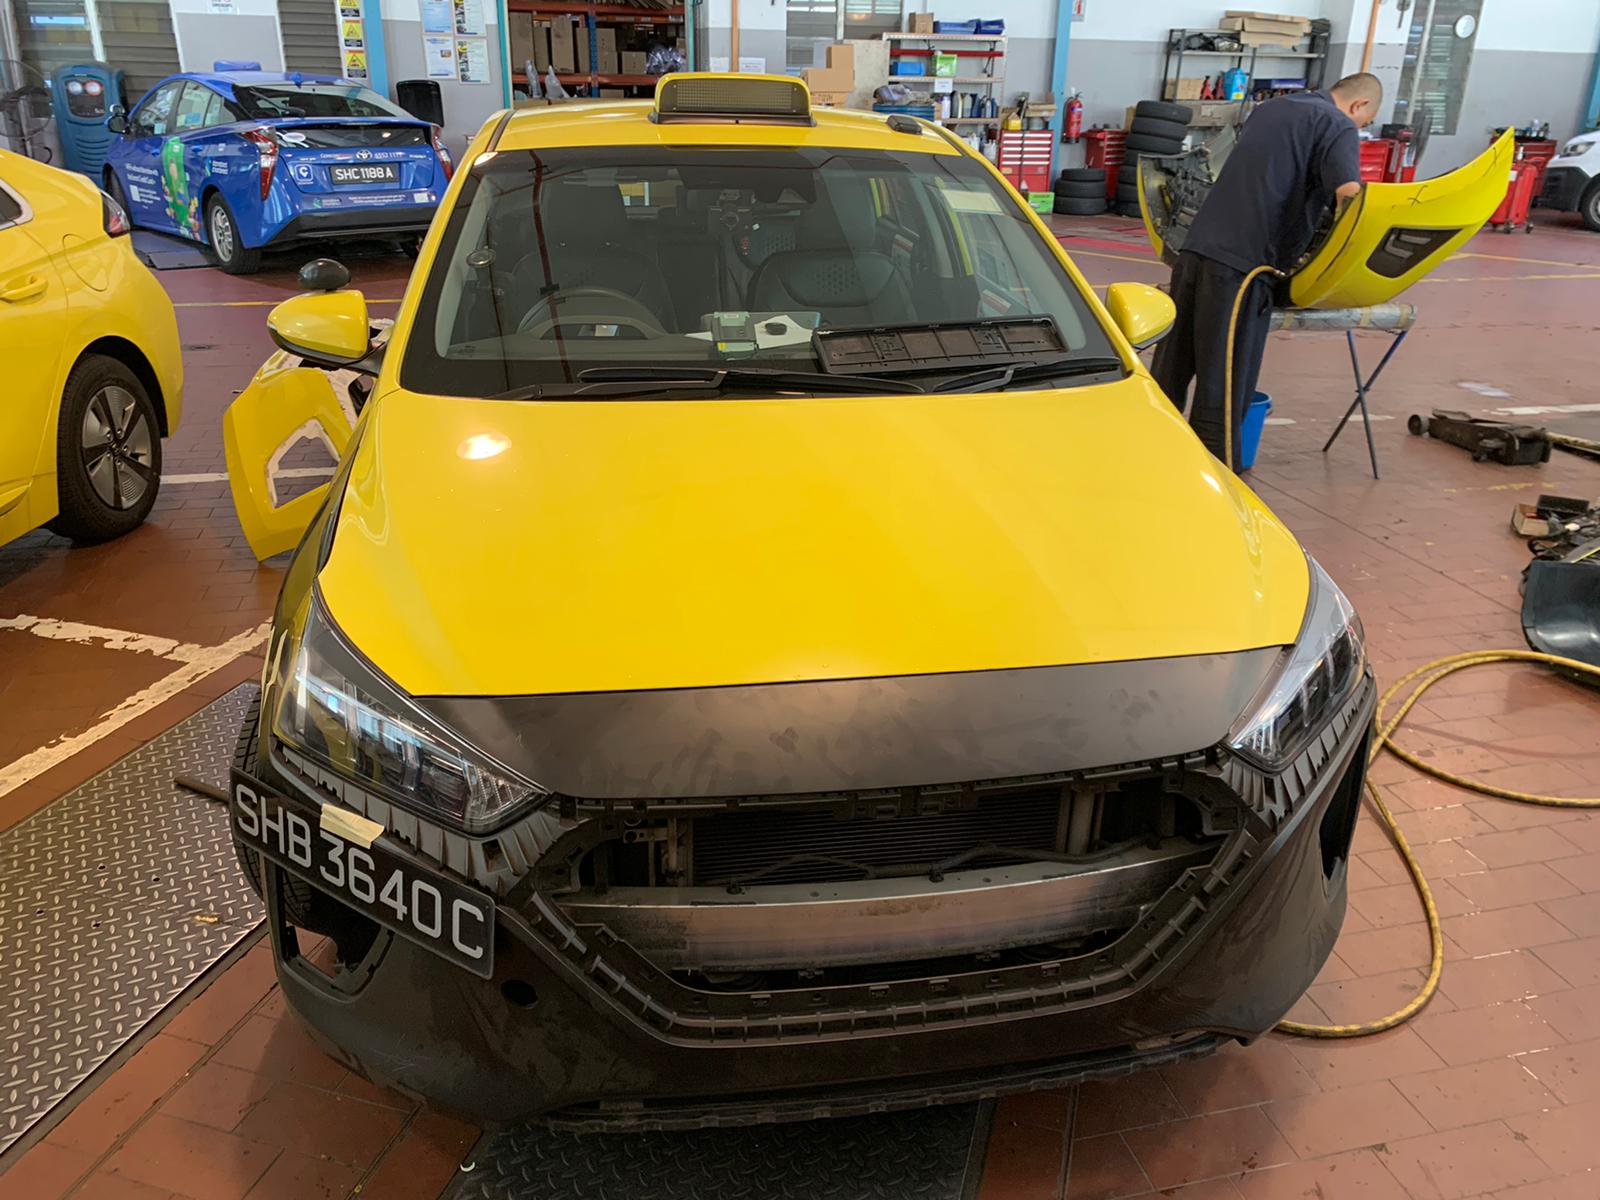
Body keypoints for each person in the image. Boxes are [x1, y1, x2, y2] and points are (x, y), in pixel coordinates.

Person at [1152, 72, 1383, 468]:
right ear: (1359, 105)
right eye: (1365, 121)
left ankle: (1151, 463)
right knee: (1223, 390)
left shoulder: (1272, 108)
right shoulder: (1337, 124)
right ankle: (1217, 484)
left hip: (1194, 250)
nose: (1360, 127)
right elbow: (1349, 196)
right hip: (1243, 266)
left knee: (1170, 373)